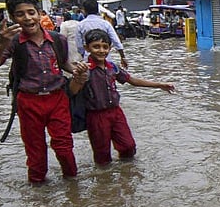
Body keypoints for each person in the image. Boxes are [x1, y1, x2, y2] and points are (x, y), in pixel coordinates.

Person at [0, 0, 88, 185]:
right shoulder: (13, 42)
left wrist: (79, 70)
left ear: (40, 14)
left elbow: (64, 64)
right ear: (13, 18)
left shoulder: (58, 39)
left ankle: (73, 186)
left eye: (31, 12)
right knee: (35, 149)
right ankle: (38, 191)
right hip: (28, 101)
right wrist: (1, 44)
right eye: (20, 14)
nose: (27, 18)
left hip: (57, 98)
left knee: (64, 146)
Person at [69, 29, 175, 166]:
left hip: (116, 112)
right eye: (96, 47)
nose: (101, 51)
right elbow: (72, 91)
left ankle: (126, 173)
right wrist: (78, 77)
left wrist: (159, 85)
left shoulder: (112, 67)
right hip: (96, 116)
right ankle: (106, 181)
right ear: (86, 48)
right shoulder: (85, 69)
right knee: (102, 154)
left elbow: (131, 80)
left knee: (128, 146)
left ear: (110, 48)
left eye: (105, 47)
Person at [76, 0, 128, 68]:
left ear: (84, 10)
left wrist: (84, 56)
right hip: (105, 59)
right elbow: (116, 41)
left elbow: (79, 46)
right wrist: (122, 57)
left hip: (88, 59)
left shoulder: (80, 25)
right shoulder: (106, 24)